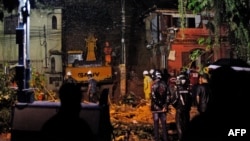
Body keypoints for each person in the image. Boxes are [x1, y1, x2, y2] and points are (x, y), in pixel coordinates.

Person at [170, 74, 192, 141]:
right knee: (186, 124)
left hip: (179, 110)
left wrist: (175, 106)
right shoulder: (189, 91)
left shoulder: (177, 91)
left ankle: (181, 138)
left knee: (179, 125)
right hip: (187, 110)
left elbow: (174, 101)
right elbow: (191, 100)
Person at [150, 71, 169, 141]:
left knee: (156, 124)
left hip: (156, 108)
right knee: (164, 124)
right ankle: (165, 138)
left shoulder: (153, 85)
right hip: (163, 108)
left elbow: (153, 97)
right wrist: (165, 105)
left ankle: (156, 138)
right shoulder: (165, 84)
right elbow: (168, 96)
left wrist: (160, 105)